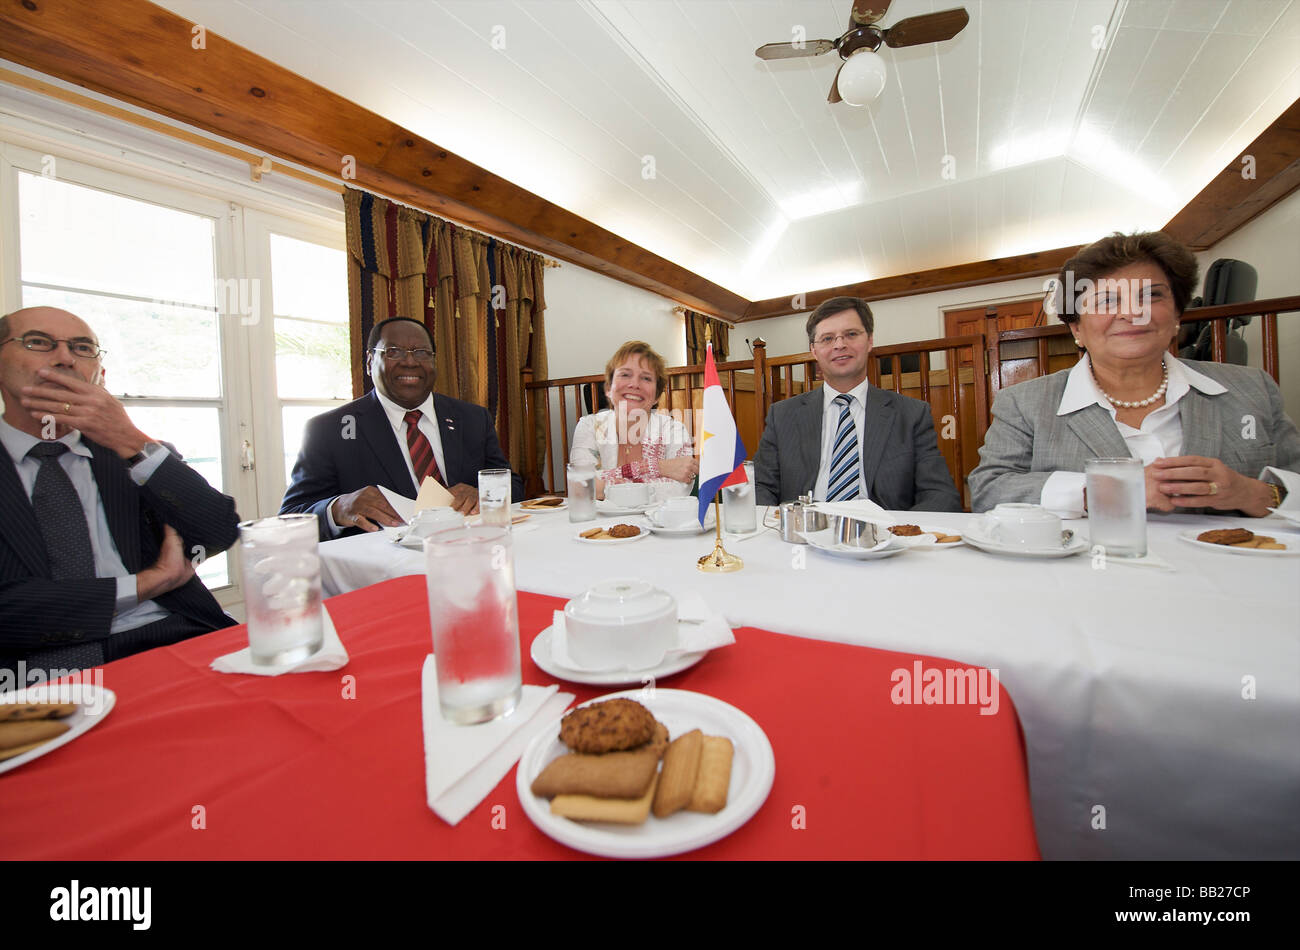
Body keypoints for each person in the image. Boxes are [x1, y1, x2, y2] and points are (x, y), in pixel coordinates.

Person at [968, 231, 1300, 516]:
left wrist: (1250, 493)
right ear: (1077, 329)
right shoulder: (1024, 403)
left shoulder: (1253, 390)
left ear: (1176, 316)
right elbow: (989, 491)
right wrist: (1105, 491)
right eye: (1105, 301)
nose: (1131, 312)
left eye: (1150, 295)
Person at [0, 307, 240, 675]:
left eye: (82, 348)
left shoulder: (135, 455)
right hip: (28, 666)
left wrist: (130, 439)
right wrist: (148, 583)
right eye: (38, 342)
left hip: (172, 636)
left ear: (101, 375)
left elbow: (218, 531)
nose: (64, 358)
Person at [281, 316, 523, 538]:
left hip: (470, 550)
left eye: (421, 352)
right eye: (393, 351)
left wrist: (482, 494)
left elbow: (513, 485)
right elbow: (291, 517)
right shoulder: (329, 429)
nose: (410, 362)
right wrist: (338, 508)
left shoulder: (472, 418)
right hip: (383, 570)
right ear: (369, 362)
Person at [753, 297, 961, 510]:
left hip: (880, 536)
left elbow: (940, 494)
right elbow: (760, 486)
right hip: (803, 533)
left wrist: (898, 534)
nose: (840, 344)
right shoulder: (782, 414)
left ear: (870, 340)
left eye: (851, 334)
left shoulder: (912, 414)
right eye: (827, 338)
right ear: (814, 350)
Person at [569, 341, 698, 498]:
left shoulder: (673, 429)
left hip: (657, 521)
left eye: (646, 378)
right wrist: (656, 467)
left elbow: (678, 490)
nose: (634, 384)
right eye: (625, 374)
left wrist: (603, 484)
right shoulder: (588, 426)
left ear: (657, 395)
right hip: (599, 521)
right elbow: (582, 487)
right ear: (609, 388)